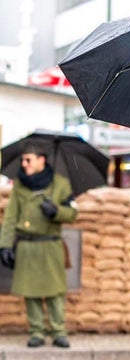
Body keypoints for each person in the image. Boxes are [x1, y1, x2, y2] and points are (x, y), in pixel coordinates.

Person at [0, 143, 78, 348]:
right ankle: (36, 332)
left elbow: (72, 213)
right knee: (30, 291)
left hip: (50, 245)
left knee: (55, 291)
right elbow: (10, 217)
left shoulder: (60, 184)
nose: (24, 164)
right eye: (23, 160)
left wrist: (56, 211)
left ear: (41, 159)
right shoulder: (19, 185)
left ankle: (59, 331)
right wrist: (5, 245)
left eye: (28, 160)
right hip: (26, 245)